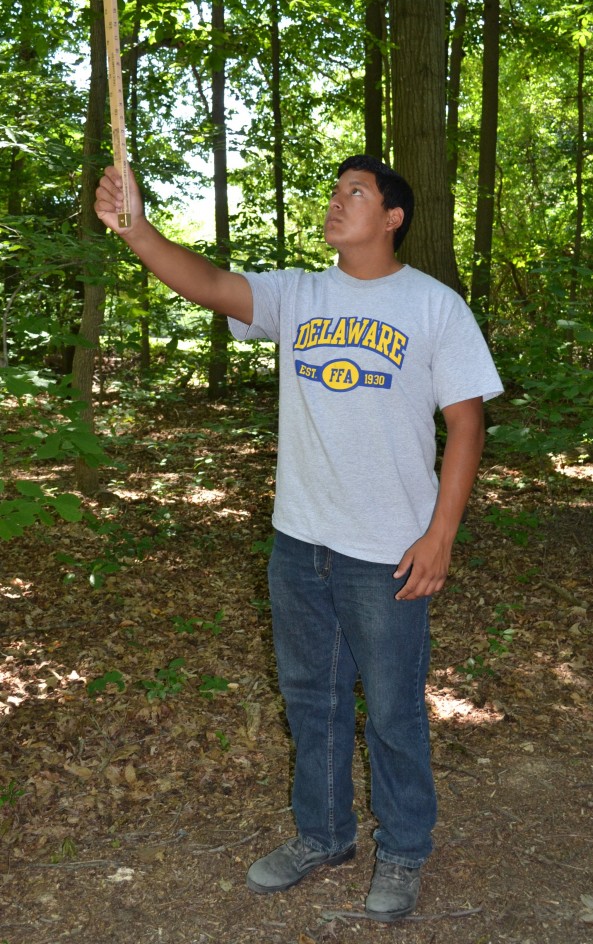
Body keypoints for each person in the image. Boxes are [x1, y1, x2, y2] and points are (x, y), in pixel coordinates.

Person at [95, 155, 503, 922]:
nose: (336, 201)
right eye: (333, 190)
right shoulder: (298, 293)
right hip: (299, 543)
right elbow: (207, 282)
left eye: (356, 192)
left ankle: (406, 847)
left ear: (392, 218)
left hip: (387, 549)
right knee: (310, 700)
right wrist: (137, 230)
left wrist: (439, 535)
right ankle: (323, 836)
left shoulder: (433, 306)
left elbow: (466, 422)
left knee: (390, 709)